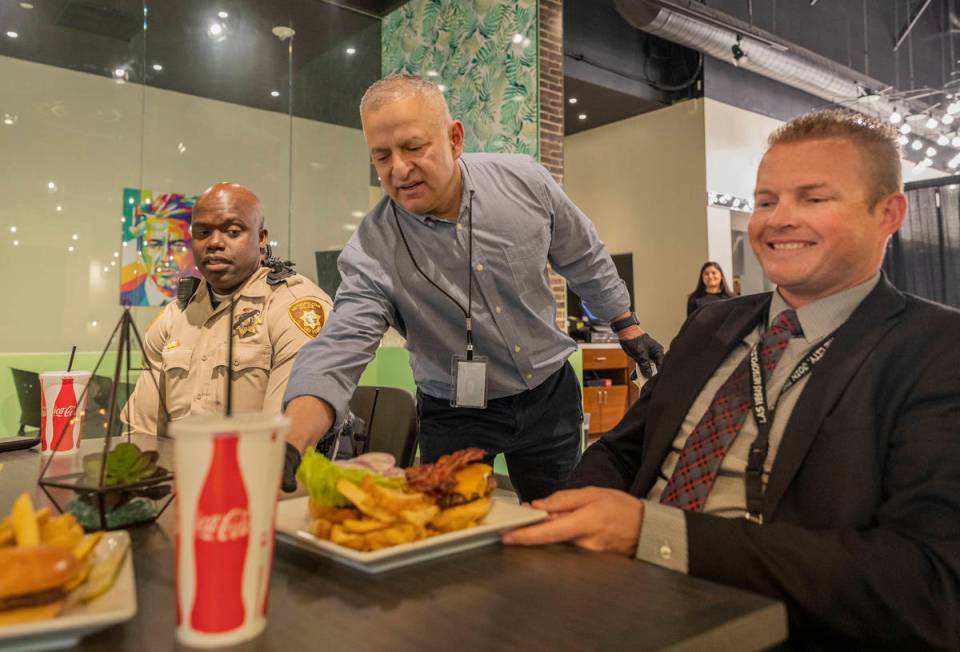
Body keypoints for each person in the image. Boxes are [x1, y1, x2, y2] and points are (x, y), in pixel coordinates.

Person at [503, 109, 960, 648]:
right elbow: (624, 450)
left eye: (813, 199)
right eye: (766, 201)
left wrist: (655, 534)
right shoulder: (710, 325)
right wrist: (574, 515)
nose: (777, 219)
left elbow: (925, 584)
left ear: (889, 214)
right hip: (610, 590)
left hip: (769, 621)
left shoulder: (935, 349)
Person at [282, 74, 664, 502]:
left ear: (455, 138)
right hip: (453, 411)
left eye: (412, 147)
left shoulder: (525, 184)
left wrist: (625, 325)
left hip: (548, 396)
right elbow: (340, 345)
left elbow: (583, 255)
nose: (399, 170)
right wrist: (290, 441)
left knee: (558, 523)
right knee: (450, 534)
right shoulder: (373, 250)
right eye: (382, 156)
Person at [122, 183, 332, 438]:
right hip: (177, 473)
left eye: (232, 231)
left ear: (261, 238)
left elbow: (283, 440)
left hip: (259, 471)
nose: (214, 243)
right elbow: (141, 432)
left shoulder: (293, 307)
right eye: (202, 232)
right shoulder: (175, 317)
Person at [120, 194, 196, 306]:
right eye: (154, 245)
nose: (165, 258)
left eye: (178, 245)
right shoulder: (129, 299)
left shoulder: (206, 304)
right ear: (141, 252)